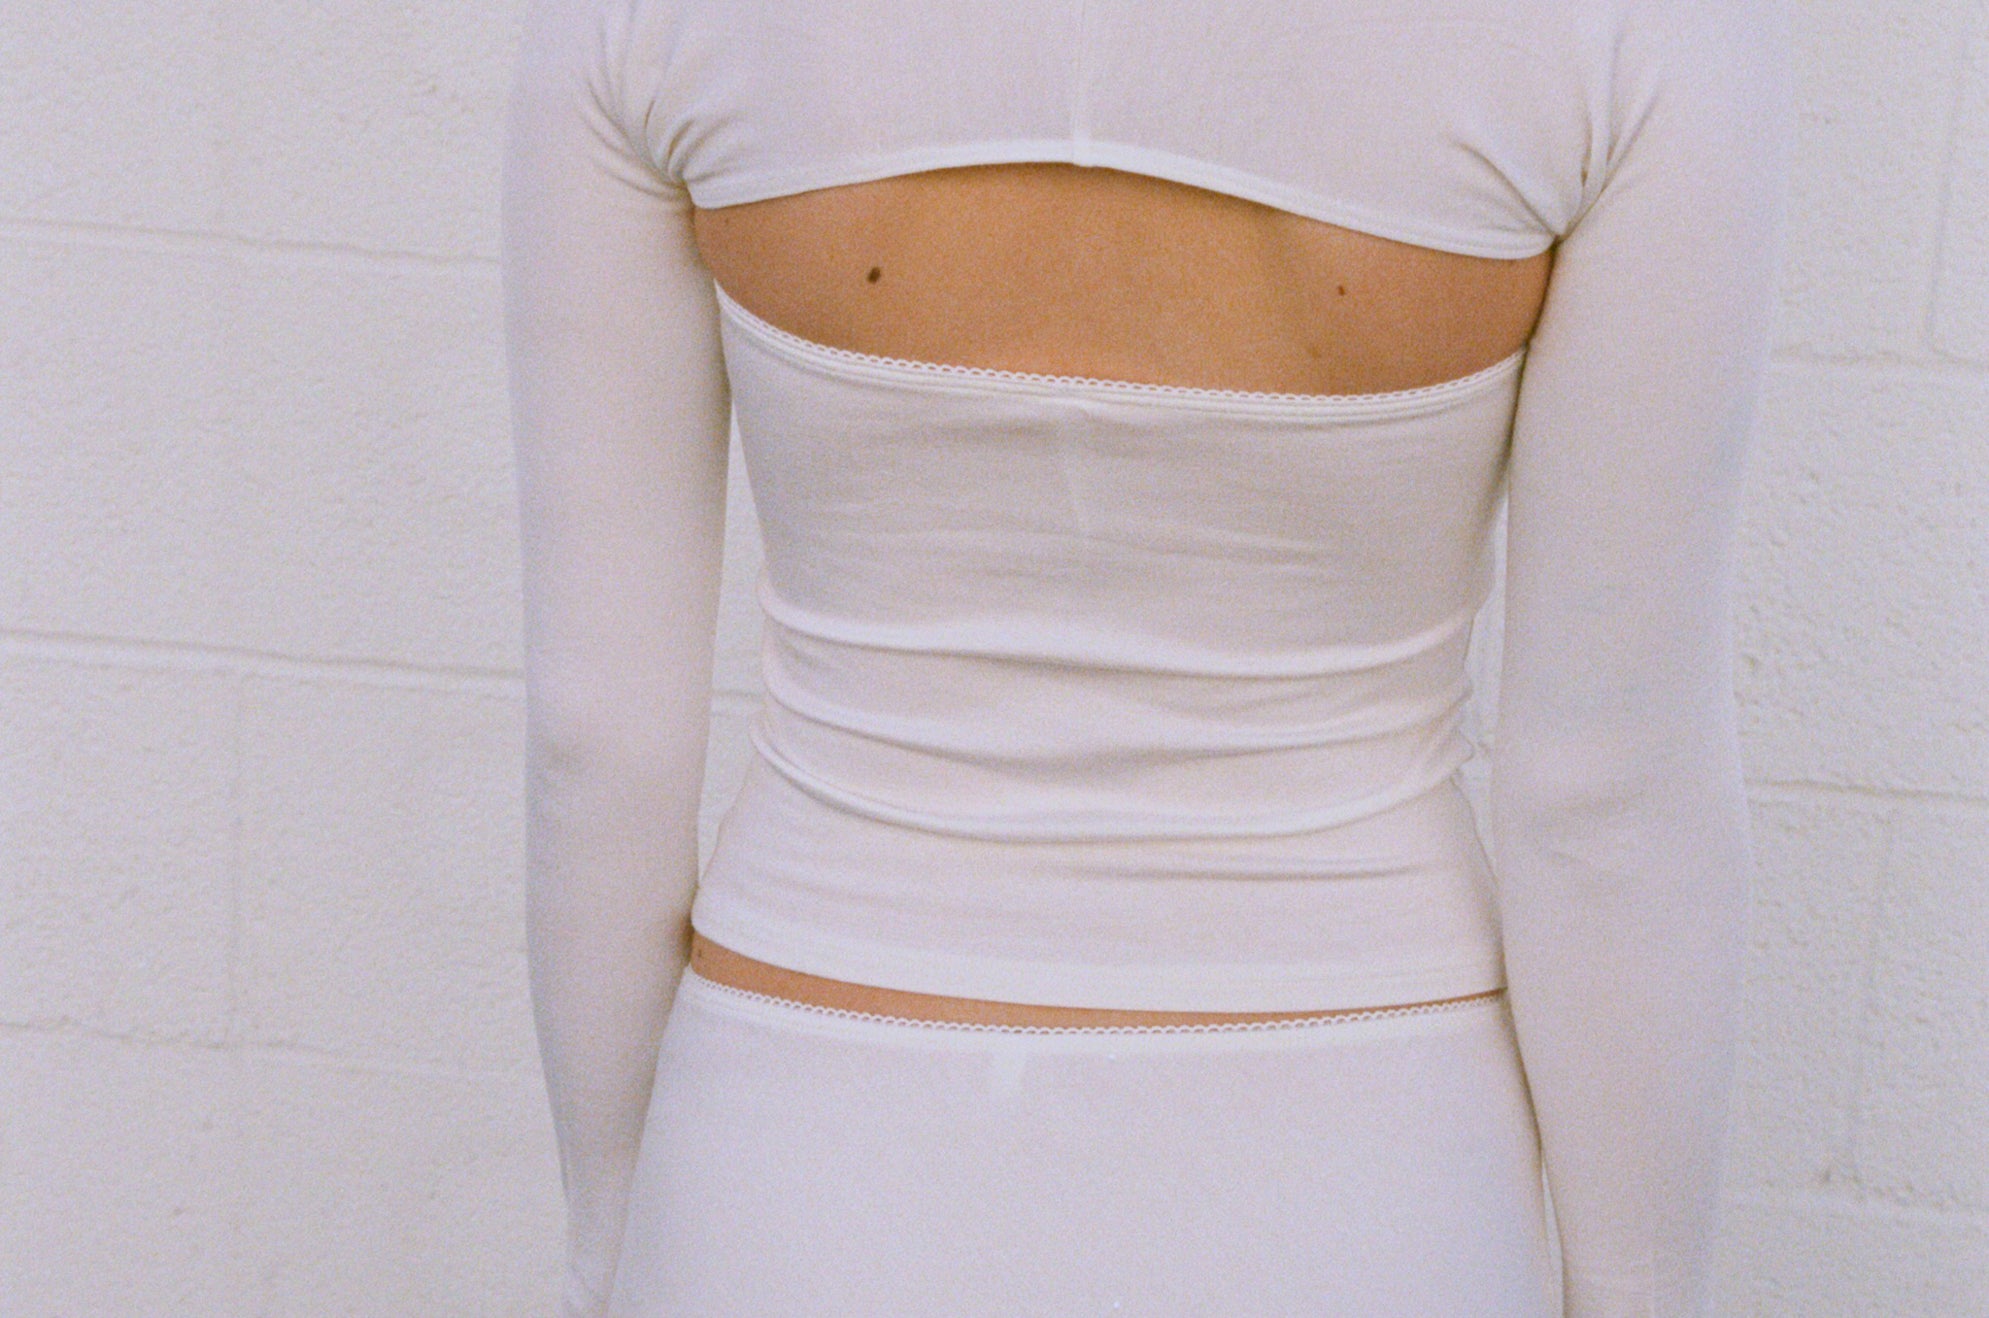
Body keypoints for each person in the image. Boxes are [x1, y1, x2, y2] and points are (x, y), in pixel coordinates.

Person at [501, 0, 1793, 1313]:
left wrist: (613, 1241)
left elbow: (595, 746)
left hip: (794, 1166)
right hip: (1364, 1166)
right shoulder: (1643, 36)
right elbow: (1606, 803)